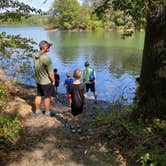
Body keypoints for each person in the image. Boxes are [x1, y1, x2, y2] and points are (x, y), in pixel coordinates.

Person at [33, 40, 55, 117]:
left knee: (38, 95)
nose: (49, 48)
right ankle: (47, 113)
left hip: (38, 80)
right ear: (45, 47)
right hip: (46, 82)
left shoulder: (35, 55)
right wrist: (54, 81)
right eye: (48, 46)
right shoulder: (46, 58)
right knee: (47, 97)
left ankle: (37, 111)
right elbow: (51, 73)